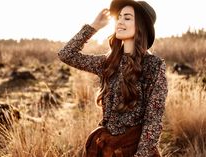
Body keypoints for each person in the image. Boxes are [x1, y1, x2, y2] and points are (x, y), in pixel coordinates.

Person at [58, 0, 168, 156]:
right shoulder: (108, 63)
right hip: (106, 149)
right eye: (120, 17)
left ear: (140, 26)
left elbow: (153, 121)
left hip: (136, 150)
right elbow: (66, 55)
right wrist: (94, 26)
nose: (120, 21)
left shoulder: (154, 66)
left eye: (127, 18)